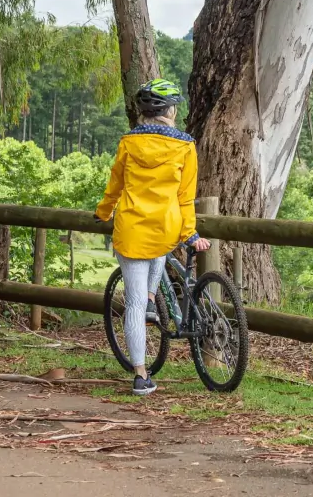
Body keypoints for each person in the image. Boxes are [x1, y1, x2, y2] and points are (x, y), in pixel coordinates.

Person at [94, 78, 210, 396]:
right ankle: (150, 299)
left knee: (130, 304)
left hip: (131, 228)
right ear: (170, 111)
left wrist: (103, 212)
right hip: (167, 227)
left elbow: (115, 185)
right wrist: (189, 233)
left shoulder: (128, 143)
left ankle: (141, 376)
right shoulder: (185, 145)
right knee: (162, 246)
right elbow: (186, 197)